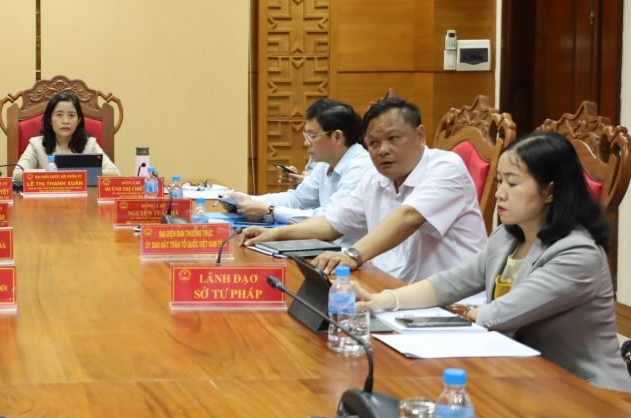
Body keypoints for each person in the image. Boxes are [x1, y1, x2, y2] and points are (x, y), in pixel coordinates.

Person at [358, 132, 631, 392]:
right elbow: (450, 283)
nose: (500, 192)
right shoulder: (507, 237)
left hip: (586, 390)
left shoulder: (577, 254)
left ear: (549, 191)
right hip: (524, 375)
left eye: (512, 183)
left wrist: (470, 313)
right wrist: (382, 300)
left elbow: (499, 314)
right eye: (499, 181)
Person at [242, 97, 487, 283]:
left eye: (394, 139)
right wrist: (275, 235)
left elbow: (409, 217)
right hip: (388, 287)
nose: (383, 150)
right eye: (375, 143)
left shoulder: (446, 167)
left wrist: (354, 254)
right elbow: (332, 225)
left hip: (450, 303)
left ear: (420, 135)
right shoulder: (375, 177)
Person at [225, 99, 373, 231]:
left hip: (348, 253)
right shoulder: (326, 163)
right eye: (306, 136)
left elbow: (330, 219)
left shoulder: (360, 168)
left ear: (337, 136)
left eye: (312, 136)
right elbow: (298, 200)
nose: (306, 143)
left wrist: (270, 211)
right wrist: (244, 200)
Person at [13, 91, 121, 180]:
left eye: (71, 115)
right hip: (46, 202)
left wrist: (75, 174)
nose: (65, 121)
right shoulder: (36, 144)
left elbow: (115, 174)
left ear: (78, 120)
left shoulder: (90, 144)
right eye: (59, 115)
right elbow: (17, 174)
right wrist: (52, 173)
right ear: (49, 120)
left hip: (82, 203)